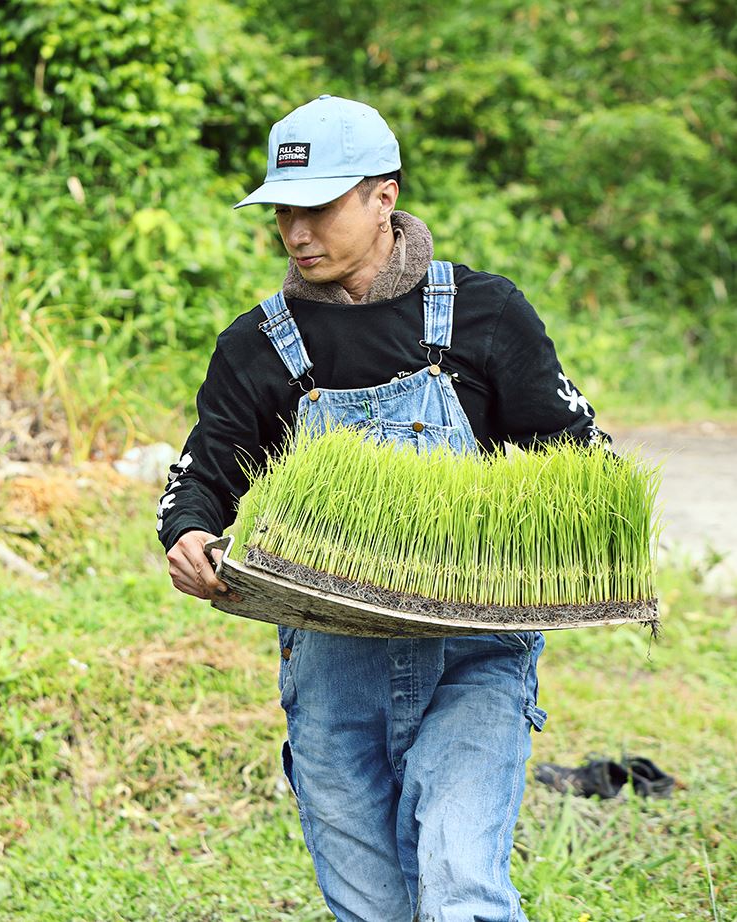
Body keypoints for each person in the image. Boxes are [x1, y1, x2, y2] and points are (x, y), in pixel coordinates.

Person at [157, 95, 604, 922]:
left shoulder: (486, 313)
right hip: (332, 670)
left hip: (472, 654)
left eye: (320, 208)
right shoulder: (255, 347)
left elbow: (580, 457)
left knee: (462, 885)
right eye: (284, 212)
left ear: (383, 197)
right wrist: (187, 532)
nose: (298, 232)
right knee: (368, 908)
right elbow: (201, 474)